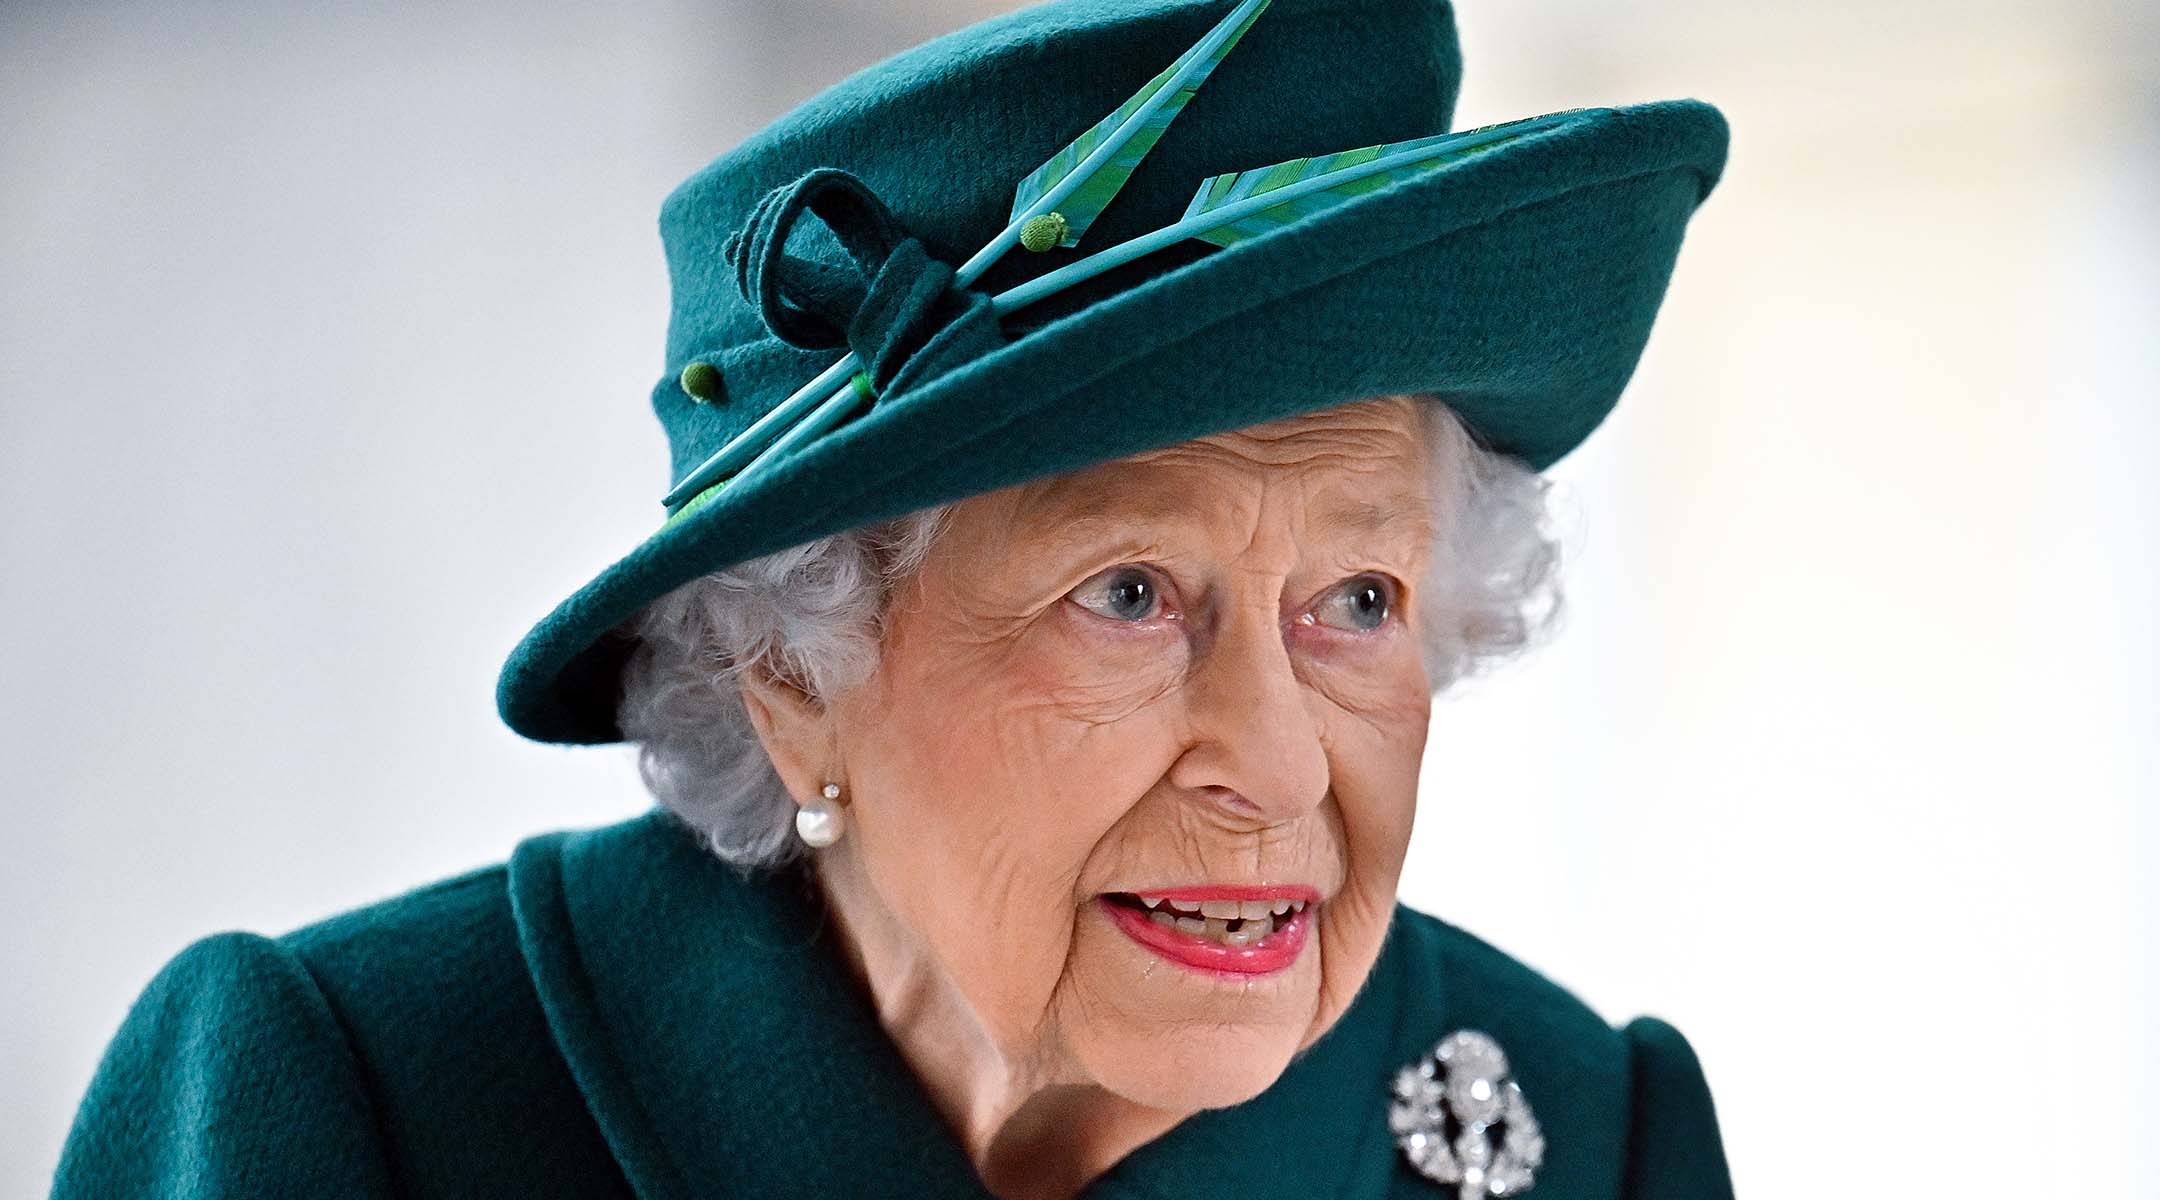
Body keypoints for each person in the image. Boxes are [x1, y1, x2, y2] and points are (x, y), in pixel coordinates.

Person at [52, 0, 1734, 1196]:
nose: (1282, 771)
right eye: (1132, 590)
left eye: (1359, 599)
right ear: (791, 674)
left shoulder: (1585, 1137)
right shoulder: (352, 1109)